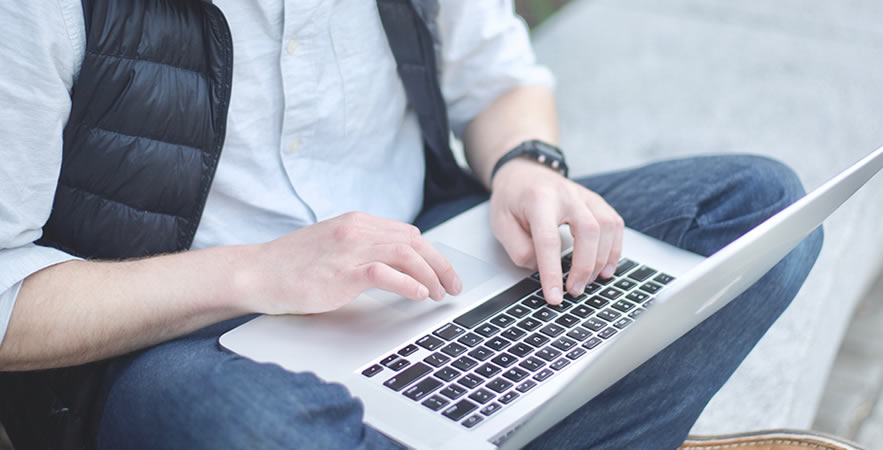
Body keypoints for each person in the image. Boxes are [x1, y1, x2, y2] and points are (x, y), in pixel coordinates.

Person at [0, 0, 822, 448]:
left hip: (431, 259)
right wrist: (256, 272)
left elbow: (498, 77)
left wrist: (528, 166)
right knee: (245, 432)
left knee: (759, 212)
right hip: (193, 338)